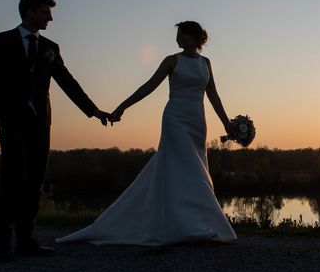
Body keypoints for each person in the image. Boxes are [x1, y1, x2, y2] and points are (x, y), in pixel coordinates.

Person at [56, 21, 238, 246]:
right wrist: (122, 106)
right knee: (191, 170)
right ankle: (191, 227)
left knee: (193, 170)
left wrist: (227, 124)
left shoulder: (205, 63)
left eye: (183, 36)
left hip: (197, 122)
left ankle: (192, 223)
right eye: (178, 36)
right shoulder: (172, 61)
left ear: (196, 38)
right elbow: (149, 86)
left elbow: (213, 96)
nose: (179, 40)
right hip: (175, 119)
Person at [0, 0, 110, 261]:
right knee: (12, 178)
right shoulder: (1, 41)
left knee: (34, 182)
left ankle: (26, 239)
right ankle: (2, 238)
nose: (50, 18)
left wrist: (93, 110)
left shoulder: (50, 47)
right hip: (10, 120)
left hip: (40, 122)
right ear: (29, 12)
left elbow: (66, 81)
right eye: (45, 12)